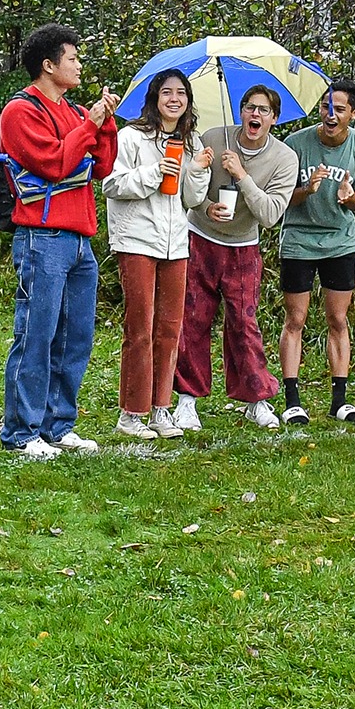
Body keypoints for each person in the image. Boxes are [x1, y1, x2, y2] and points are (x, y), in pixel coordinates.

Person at [0, 23, 119, 459]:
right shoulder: (20, 112)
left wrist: (104, 124)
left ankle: (57, 424)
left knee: (75, 338)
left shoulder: (75, 111)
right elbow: (54, 163)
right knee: (37, 334)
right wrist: (89, 126)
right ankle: (21, 431)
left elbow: (102, 166)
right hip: (42, 238)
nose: (80, 65)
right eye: (73, 58)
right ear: (48, 65)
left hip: (81, 240)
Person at [169, 84, 297, 432]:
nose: (255, 115)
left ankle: (256, 400)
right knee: (192, 319)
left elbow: (270, 215)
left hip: (244, 246)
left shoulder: (284, 158)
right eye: (250, 107)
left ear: (274, 118)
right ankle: (187, 399)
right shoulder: (214, 137)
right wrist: (206, 206)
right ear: (240, 111)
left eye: (263, 110)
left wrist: (241, 174)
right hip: (200, 238)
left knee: (244, 323)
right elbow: (190, 189)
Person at [102, 68, 212, 440]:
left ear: (188, 101)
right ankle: (131, 413)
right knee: (140, 328)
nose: (174, 99)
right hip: (136, 241)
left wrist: (197, 171)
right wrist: (154, 172)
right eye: (167, 92)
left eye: (181, 93)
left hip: (175, 243)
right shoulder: (131, 137)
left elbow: (191, 200)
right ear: (154, 98)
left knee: (169, 329)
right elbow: (111, 183)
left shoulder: (190, 141)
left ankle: (161, 410)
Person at [277, 79, 355, 426]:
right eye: (325, 107)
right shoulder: (295, 144)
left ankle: (340, 401)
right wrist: (307, 189)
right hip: (299, 240)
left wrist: (349, 197)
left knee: (337, 319)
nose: (330, 115)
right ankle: (292, 401)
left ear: (354, 113)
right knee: (296, 319)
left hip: (340, 242)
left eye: (339, 109)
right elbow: (282, 198)